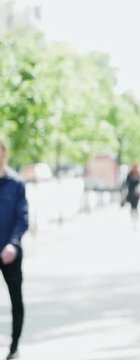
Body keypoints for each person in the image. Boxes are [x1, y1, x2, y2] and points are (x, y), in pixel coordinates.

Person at [0, 139, 27, 360]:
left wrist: (13, 243)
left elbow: (22, 217)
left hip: (10, 253)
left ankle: (13, 347)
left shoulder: (16, 183)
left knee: (16, 301)